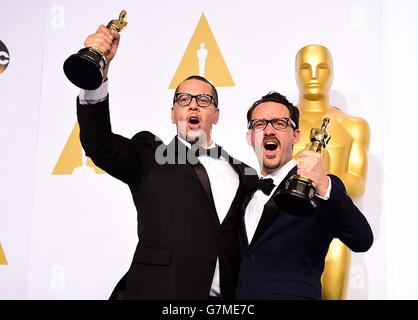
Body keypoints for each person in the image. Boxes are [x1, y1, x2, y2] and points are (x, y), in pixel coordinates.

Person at [76, 25, 257, 299]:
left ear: (216, 115)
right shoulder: (148, 156)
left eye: (204, 100)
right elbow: (98, 143)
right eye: (184, 99)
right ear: (173, 114)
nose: (193, 105)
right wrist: (97, 75)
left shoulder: (245, 174)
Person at [235, 91, 373, 300]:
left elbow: (362, 239)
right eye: (260, 124)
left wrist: (324, 184)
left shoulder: (320, 188)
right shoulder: (243, 191)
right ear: (250, 136)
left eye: (280, 123)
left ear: (296, 136)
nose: (269, 130)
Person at [293, 44, 371, 299]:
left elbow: (358, 183)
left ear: (332, 72)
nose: (313, 75)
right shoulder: (281, 125)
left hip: (335, 231)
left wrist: (323, 180)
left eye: (321, 67)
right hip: (290, 227)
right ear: (296, 73)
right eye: (305, 68)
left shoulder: (353, 126)